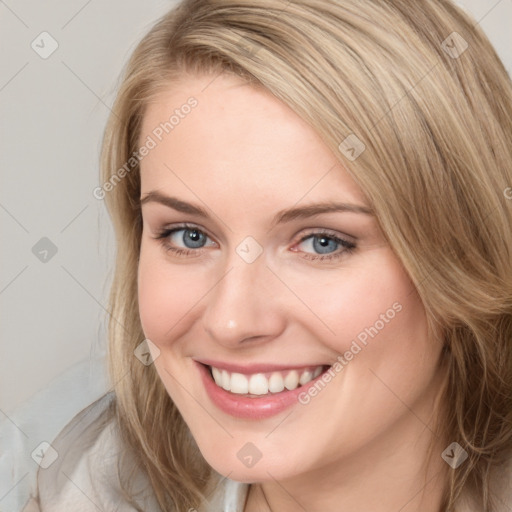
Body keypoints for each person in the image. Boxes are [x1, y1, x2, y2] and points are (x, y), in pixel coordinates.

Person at [23, 0, 512, 510]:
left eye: (323, 242)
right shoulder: (56, 470)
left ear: (465, 253)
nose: (232, 322)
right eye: (189, 236)